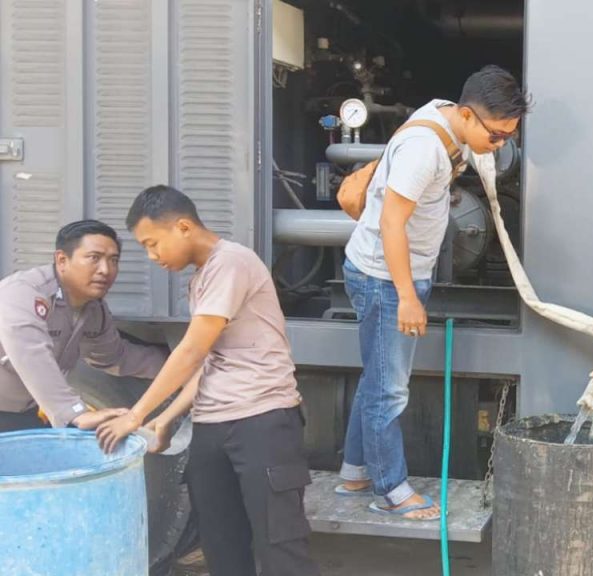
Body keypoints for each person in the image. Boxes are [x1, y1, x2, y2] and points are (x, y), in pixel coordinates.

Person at [337, 65, 529, 520]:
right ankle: (391, 490)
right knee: (390, 391)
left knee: (376, 377)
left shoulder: (444, 118)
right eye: (497, 135)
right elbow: (390, 223)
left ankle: (353, 471)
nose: (498, 145)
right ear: (466, 114)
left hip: (386, 275)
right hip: (385, 280)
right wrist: (406, 295)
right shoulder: (425, 149)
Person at [96, 186, 320, 576]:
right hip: (213, 426)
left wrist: (136, 415)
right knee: (221, 546)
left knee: (281, 549)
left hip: (261, 422)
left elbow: (191, 351)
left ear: (183, 226)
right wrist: (167, 419)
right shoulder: (202, 278)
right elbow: (211, 361)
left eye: (153, 244)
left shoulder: (231, 263)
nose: (152, 257)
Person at [0, 220, 167, 433]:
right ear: (62, 260)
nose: (105, 270)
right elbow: (31, 355)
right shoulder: (23, 293)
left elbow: (114, 356)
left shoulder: (93, 309)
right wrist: (76, 412)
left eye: (113, 260)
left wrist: (182, 365)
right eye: (94, 258)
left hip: (20, 412)